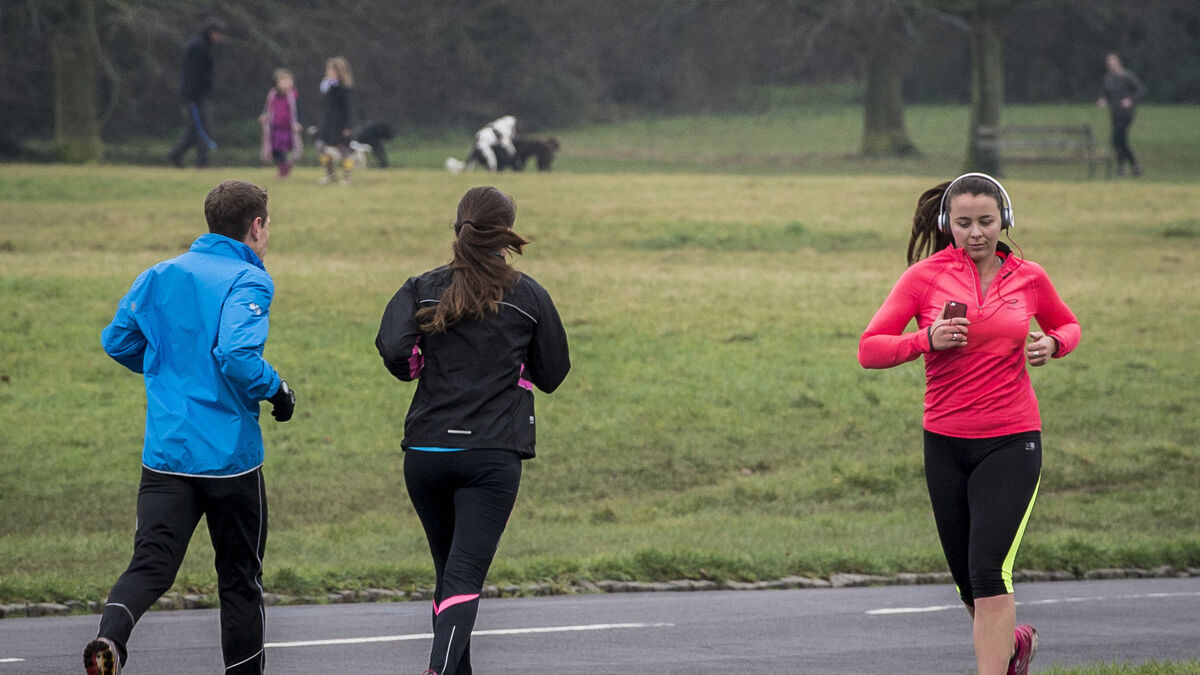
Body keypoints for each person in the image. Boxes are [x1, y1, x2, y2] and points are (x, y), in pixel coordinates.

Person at [858, 173, 1080, 675]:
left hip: (1012, 441)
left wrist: (1054, 343)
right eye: (963, 223)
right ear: (947, 223)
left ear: (1005, 220)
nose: (976, 233)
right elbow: (869, 349)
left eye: (986, 221)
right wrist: (926, 339)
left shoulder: (1029, 276)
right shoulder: (923, 278)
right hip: (944, 443)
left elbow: (1067, 323)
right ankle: (1014, 645)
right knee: (966, 580)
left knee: (988, 571)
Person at [83, 180, 296, 675]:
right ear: (256, 226)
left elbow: (117, 341)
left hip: (166, 454)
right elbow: (237, 355)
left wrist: (169, 372)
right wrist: (278, 389)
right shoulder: (250, 279)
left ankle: (109, 641)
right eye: (267, 224)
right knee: (240, 581)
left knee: (150, 564)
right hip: (229, 460)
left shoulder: (159, 273)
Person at [375, 186, 570, 675]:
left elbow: (395, 350)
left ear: (458, 226)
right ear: (506, 233)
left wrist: (419, 365)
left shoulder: (421, 287)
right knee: (462, 580)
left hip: (425, 453)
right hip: (490, 456)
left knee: (449, 579)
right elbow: (553, 374)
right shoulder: (529, 296)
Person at [168, 17, 225, 168]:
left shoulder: (201, 44)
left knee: (195, 129)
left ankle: (176, 154)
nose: (220, 38)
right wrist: (189, 96)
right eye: (219, 34)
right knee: (203, 128)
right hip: (196, 96)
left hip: (197, 94)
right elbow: (192, 73)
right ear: (212, 32)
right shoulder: (199, 46)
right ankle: (201, 162)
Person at [1096, 52, 1146, 177]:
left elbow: (1140, 90)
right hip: (1114, 113)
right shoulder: (1107, 79)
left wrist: (1130, 100)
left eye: (1113, 62)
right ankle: (1134, 168)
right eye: (1109, 63)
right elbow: (1104, 93)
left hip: (1126, 114)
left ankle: (1123, 168)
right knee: (1121, 142)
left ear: (1118, 62)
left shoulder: (1127, 76)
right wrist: (1102, 100)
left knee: (1115, 139)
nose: (1111, 65)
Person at [317, 56, 355, 185]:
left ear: (340, 72)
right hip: (328, 125)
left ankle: (347, 177)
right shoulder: (327, 88)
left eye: (332, 70)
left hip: (340, 125)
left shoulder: (344, 89)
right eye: (328, 70)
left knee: (344, 151)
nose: (328, 72)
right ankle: (330, 174)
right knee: (324, 150)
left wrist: (348, 126)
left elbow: (349, 110)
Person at [259, 68, 303, 178]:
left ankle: (284, 168)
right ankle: (285, 166)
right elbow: (267, 108)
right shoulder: (272, 95)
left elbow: (298, 110)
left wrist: (298, 123)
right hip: (275, 128)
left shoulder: (293, 95)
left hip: (288, 128)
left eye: (289, 80)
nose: (286, 83)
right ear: (277, 82)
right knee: (274, 149)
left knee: (281, 148)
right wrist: (264, 116)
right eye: (283, 80)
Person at [445, 116, 519, 173]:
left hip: (478, 143)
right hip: (484, 146)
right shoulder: (505, 129)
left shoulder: (496, 125)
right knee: (492, 164)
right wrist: (512, 152)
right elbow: (506, 143)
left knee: (469, 166)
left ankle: (459, 167)